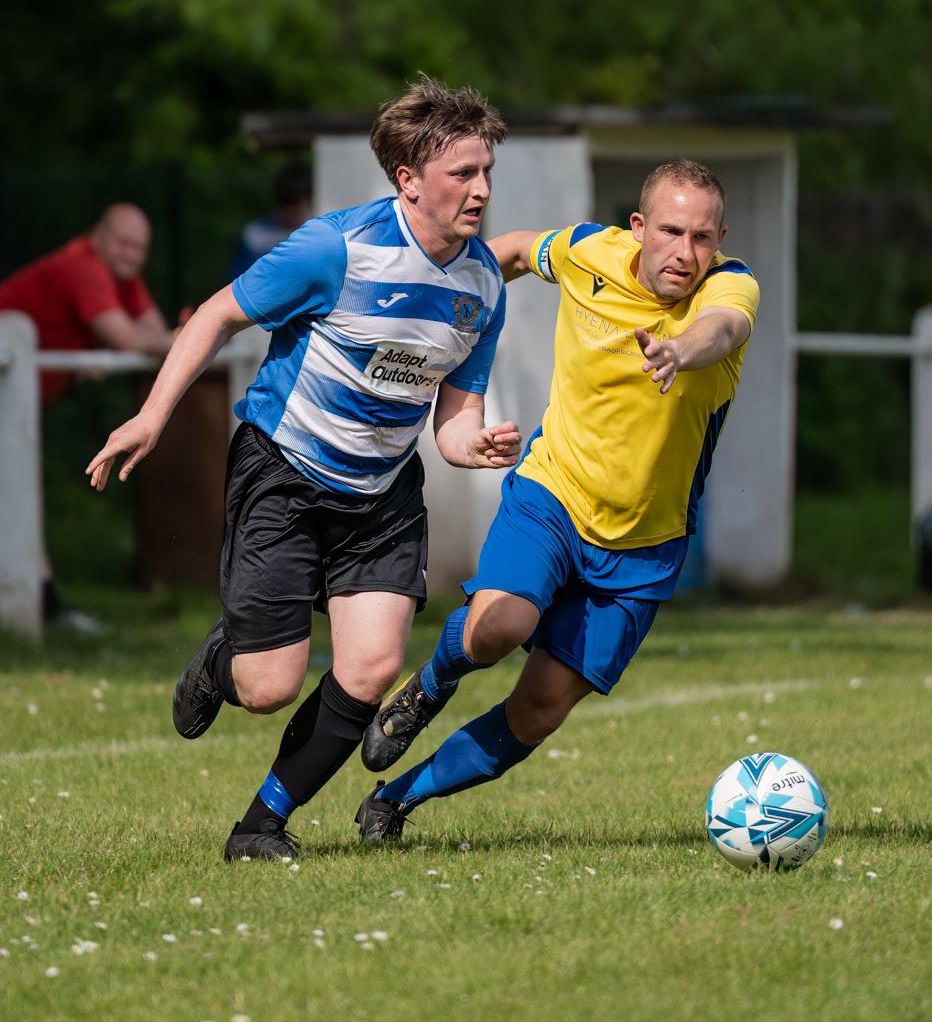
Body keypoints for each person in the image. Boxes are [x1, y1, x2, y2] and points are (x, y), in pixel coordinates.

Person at [85, 76, 520, 862]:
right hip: (284, 474)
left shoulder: (483, 284)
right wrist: (152, 415)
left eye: (486, 171)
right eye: (463, 173)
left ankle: (260, 827)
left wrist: (474, 446)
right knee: (268, 687)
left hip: (383, 492)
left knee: (372, 667)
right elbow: (218, 314)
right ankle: (223, 659)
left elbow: (454, 417)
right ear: (408, 179)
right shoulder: (336, 248)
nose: (481, 189)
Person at [354, 159, 760, 842]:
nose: (684, 253)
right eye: (670, 231)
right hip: (555, 494)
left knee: (538, 710)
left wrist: (677, 350)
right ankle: (431, 683)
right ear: (638, 227)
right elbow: (514, 252)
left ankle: (395, 800)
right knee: (499, 626)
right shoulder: (588, 251)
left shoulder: (731, 286)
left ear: (719, 239)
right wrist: (440, 293)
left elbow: (722, 329)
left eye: (701, 237)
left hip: (645, 545)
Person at [0, 203, 177, 631]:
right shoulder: (83, 266)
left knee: (16, 493)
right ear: (98, 235)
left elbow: (147, 334)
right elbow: (131, 337)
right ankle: (43, 609)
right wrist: (186, 339)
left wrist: (166, 340)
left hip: (14, 404)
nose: (130, 254)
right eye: (122, 243)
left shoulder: (119, 274)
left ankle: (45, 607)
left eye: (138, 248)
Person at [229, 159, 314, 279]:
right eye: (285, 204)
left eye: (296, 206)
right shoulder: (255, 236)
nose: (290, 212)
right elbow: (237, 281)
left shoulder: (317, 233)